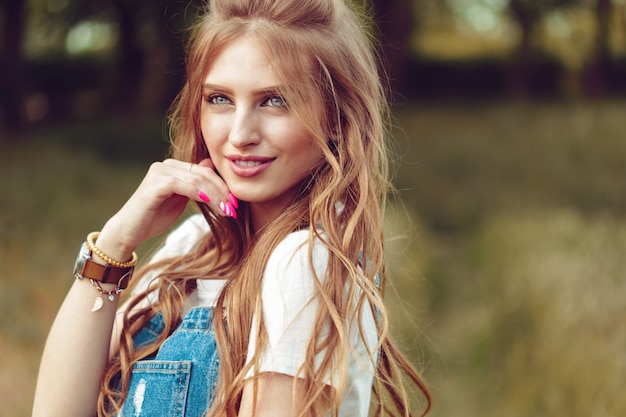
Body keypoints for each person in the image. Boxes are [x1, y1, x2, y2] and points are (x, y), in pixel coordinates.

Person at [32, 0, 432, 416]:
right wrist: (115, 243)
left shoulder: (305, 263)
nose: (240, 134)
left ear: (335, 118)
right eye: (220, 98)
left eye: (274, 101)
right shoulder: (193, 246)